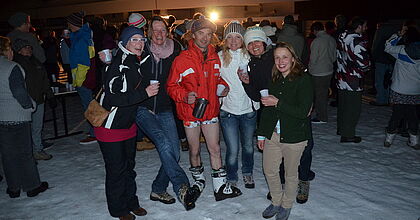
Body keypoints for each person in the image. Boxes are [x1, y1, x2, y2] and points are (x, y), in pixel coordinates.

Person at [167, 17, 242, 202]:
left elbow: (217, 79)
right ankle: (199, 182)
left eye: (209, 34)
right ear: (193, 35)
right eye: (201, 33)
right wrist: (184, 95)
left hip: (210, 111)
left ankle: (220, 188)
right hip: (190, 112)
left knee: (215, 148)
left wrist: (223, 86)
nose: (205, 38)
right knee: (194, 150)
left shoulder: (215, 56)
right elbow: (171, 86)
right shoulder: (181, 59)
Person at [135, 16, 200, 210]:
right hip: (142, 107)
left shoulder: (176, 49)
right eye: (155, 30)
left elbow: (186, 72)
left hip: (164, 107)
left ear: (168, 31)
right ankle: (183, 187)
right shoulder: (140, 49)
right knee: (163, 143)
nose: (159, 34)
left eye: (162, 30)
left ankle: (158, 188)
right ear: (148, 33)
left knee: (174, 151)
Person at [95, 26, 155, 220]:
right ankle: (118, 209)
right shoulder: (119, 63)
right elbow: (113, 98)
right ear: (125, 42)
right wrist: (144, 93)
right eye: (135, 40)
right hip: (110, 126)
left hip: (128, 124)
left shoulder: (135, 60)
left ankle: (131, 202)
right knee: (116, 170)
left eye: (142, 40)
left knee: (129, 167)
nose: (140, 44)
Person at [257, 42, 313, 220]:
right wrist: (262, 133)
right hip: (273, 134)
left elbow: (303, 112)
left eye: (285, 57)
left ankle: (286, 205)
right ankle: (276, 201)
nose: (281, 61)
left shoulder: (304, 80)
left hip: (295, 136)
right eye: (277, 57)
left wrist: (278, 103)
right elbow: (267, 109)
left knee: (290, 174)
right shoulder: (275, 78)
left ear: (293, 59)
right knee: (270, 170)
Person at [0, 36, 49, 199]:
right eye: (10, 49)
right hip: (17, 116)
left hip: (1, 118)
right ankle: (32, 186)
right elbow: (20, 92)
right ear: (6, 50)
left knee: (8, 155)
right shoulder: (11, 67)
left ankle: (13, 188)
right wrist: (31, 106)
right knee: (25, 153)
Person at [218, 21, 257, 189]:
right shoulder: (219, 57)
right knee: (232, 149)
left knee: (248, 146)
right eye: (230, 37)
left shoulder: (250, 56)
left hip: (248, 109)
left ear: (243, 39)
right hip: (228, 111)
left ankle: (247, 173)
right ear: (225, 40)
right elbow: (212, 80)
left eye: (238, 37)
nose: (233, 41)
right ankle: (232, 176)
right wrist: (219, 90)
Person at [12, 39, 57, 160]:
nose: (29, 49)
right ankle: (27, 153)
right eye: (25, 47)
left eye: (29, 47)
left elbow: (44, 80)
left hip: (39, 99)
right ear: (19, 50)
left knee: (37, 126)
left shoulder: (35, 61)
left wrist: (49, 95)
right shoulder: (16, 64)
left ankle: (37, 150)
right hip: (24, 102)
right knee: (25, 129)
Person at [383, 26, 420, 149]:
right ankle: (414, 141)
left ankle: (389, 139)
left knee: (397, 114)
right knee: (412, 115)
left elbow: (387, 47)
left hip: (399, 88)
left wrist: (397, 35)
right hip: (415, 90)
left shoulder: (402, 50)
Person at [336, 17, 371, 143]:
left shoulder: (342, 36)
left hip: (341, 77)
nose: (366, 28)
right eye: (365, 25)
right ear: (359, 26)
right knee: (353, 108)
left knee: (343, 106)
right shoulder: (357, 41)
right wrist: (368, 65)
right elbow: (363, 63)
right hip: (353, 80)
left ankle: (342, 128)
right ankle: (348, 134)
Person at [67, 11, 97, 144]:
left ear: (74, 23)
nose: (68, 25)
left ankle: (94, 133)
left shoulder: (80, 39)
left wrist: (78, 81)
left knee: (88, 106)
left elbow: (84, 63)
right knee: (90, 105)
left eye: (69, 23)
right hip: (85, 77)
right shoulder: (81, 36)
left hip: (83, 78)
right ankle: (93, 131)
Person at [308, 22, 337, 123]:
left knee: (319, 95)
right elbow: (334, 57)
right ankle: (322, 114)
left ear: (315, 30)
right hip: (329, 70)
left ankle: (321, 116)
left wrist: (310, 69)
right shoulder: (331, 39)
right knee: (324, 94)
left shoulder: (317, 41)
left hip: (318, 72)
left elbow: (313, 59)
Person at [370, 20, 400, 106]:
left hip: (380, 60)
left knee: (380, 81)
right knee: (390, 81)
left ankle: (381, 100)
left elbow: (376, 45)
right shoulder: (396, 31)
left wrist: (373, 57)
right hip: (392, 60)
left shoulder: (380, 31)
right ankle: (389, 99)